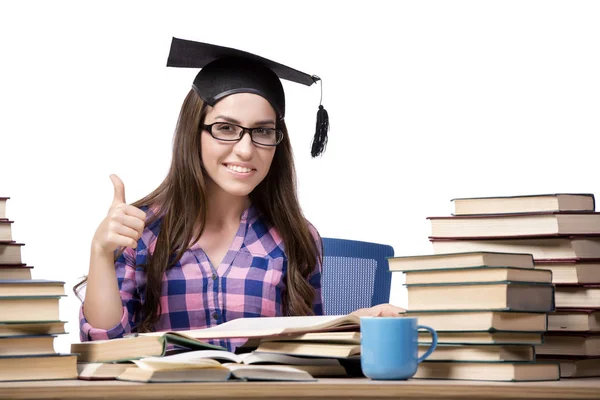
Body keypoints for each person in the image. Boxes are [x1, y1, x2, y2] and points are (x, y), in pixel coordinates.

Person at [76, 38, 403, 352]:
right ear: (195, 132)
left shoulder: (296, 238)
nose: (246, 150)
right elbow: (104, 349)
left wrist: (356, 326)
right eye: (226, 128)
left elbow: (312, 354)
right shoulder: (142, 230)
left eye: (262, 131)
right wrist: (101, 253)